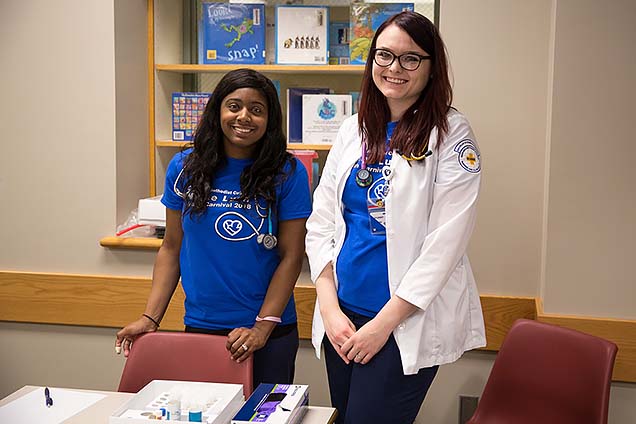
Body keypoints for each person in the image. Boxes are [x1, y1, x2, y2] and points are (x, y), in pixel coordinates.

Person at [305, 11, 486, 424]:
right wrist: (331, 310)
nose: (394, 68)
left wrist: (382, 326)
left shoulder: (450, 134)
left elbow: (446, 244)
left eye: (410, 58)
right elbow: (321, 224)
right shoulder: (353, 129)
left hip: (400, 323)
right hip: (344, 317)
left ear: (431, 67)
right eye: (384, 56)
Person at [116, 68, 312, 388]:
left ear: (270, 119)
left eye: (257, 110)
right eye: (234, 106)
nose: (244, 116)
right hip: (203, 327)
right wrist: (150, 318)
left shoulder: (286, 173)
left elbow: (291, 255)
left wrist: (262, 328)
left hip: (269, 332)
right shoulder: (184, 168)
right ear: (218, 110)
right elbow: (171, 247)